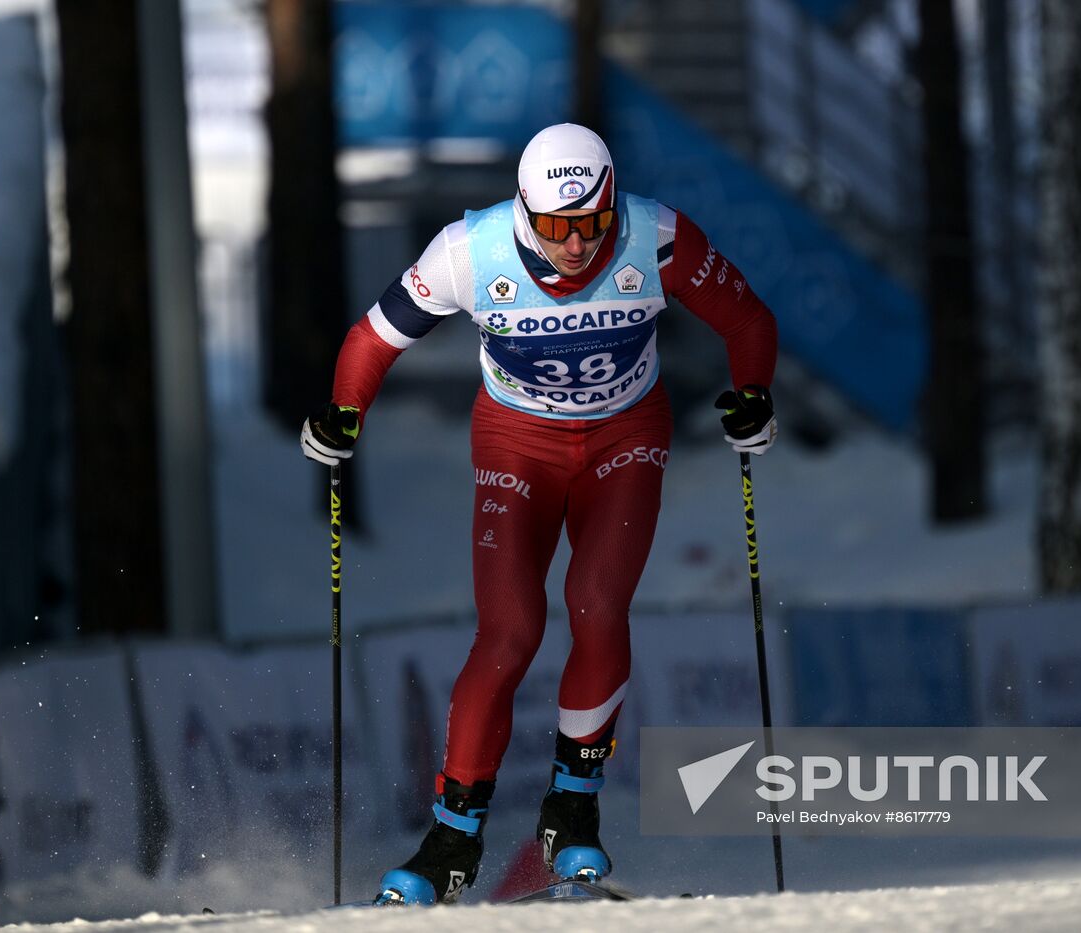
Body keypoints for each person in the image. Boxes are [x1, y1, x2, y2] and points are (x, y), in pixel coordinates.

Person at [301, 123, 778, 905]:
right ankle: (452, 839)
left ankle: (572, 811)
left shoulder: (654, 236)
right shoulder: (468, 252)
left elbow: (748, 320)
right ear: (526, 212)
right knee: (512, 627)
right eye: (556, 228)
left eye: (591, 224)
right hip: (518, 440)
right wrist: (342, 413)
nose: (576, 246)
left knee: (595, 603)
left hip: (625, 433)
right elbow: (372, 337)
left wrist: (753, 395)